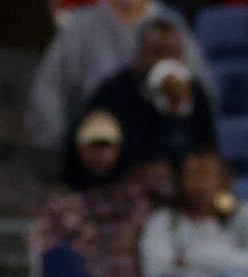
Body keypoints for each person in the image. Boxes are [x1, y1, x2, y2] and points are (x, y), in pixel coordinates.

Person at [36, 109, 182, 277]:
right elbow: (40, 247)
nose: (100, 155)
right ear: (78, 149)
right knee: (59, 259)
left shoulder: (138, 197)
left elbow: (176, 186)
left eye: (107, 147)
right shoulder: (59, 202)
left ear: (120, 149)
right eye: (93, 146)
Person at [28, 0, 213, 154]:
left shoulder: (171, 25)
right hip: (96, 150)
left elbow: (202, 98)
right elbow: (47, 93)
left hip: (162, 152)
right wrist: (66, 147)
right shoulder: (81, 26)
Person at [79, 17, 216, 175]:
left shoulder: (193, 91)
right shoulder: (114, 91)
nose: (166, 61)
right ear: (139, 55)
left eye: (173, 54)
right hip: (125, 183)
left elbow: (207, 149)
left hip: (180, 185)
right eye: (158, 52)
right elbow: (97, 156)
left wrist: (179, 111)